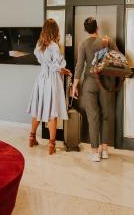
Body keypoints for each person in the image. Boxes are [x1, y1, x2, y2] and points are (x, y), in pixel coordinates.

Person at [71, 17, 117, 162]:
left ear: (85, 30)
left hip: (90, 83)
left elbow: (79, 67)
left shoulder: (83, 44)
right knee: (106, 116)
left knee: (93, 117)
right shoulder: (107, 41)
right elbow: (117, 59)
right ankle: (105, 151)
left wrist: (74, 86)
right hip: (106, 84)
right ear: (97, 28)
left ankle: (95, 152)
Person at [27, 18, 72, 155]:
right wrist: (66, 71)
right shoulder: (54, 46)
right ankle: (51, 145)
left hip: (41, 79)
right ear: (55, 30)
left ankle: (31, 137)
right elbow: (56, 67)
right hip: (52, 81)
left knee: (38, 109)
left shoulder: (39, 45)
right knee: (52, 111)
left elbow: (43, 61)